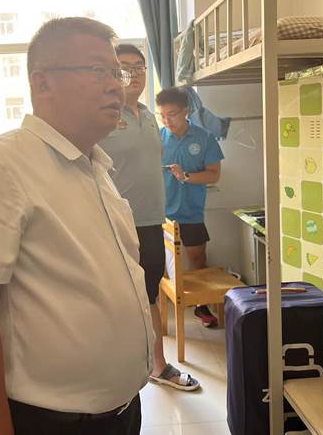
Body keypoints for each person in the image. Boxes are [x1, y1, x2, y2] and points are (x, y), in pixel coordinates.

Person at [0, 17, 155, 435]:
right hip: (51, 421)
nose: (116, 85)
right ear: (42, 83)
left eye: (118, 73)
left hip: (122, 410)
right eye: (98, 71)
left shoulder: (95, 166)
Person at [99, 44, 200, 391]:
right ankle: (117, 370)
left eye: (139, 67)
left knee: (150, 295)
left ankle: (158, 365)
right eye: (124, 67)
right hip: (114, 223)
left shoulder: (148, 115)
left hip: (151, 221)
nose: (134, 73)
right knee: (117, 298)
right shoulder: (103, 114)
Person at [156, 87, 224, 328]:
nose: (167, 121)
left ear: (185, 111)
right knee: (160, 264)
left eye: (172, 114)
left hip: (192, 212)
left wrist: (185, 176)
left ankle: (201, 306)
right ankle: (160, 311)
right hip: (161, 214)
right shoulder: (157, 139)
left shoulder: (204, 138)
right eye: (162, 116)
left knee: (198, 258)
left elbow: (214, 175)